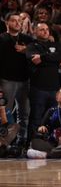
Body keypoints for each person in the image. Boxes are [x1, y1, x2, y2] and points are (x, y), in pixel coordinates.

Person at [0, 13, 32, 146]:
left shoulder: (27, 39)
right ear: (7, 23)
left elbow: (41, 49)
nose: (17, 23)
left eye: (19, 21)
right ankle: (4, 142)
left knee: (24, 112)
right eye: (13, 21)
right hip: (7, 80)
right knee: (4, 114)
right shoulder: (1, 38)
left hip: (24, 81)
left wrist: (27, 50)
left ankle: (21, 140)